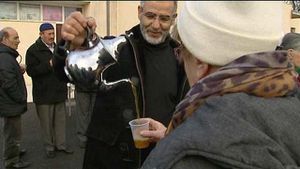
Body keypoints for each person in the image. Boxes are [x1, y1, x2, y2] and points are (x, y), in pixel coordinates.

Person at [139, 1, 300, 169]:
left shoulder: (180, 158)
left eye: (181, 53)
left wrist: (177, 142)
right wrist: (171, 135)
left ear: (199, 61)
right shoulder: (292, 105)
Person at [52, 1, 188, 169]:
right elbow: (64, 73)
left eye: (164, 18)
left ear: (174, 18)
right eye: (150, 16)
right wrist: (71, 46)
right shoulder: (117, 48)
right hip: (114, 158)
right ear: (139, 12)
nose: (156, 25)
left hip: (164, 155)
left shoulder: (182, 58)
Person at [25, 22, 73, 159]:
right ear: (41, 34)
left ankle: (61, 145)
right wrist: (49, 64)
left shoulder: (59, 48)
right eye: (49, 34)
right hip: (44, 94)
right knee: (46, 124)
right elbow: (31, 71)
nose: (52, 36)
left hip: (59, 91)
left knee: (60, 122)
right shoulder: (33, 50)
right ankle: (49, 147)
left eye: (53, 33)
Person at [0, 27, 31, 169]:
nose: (19, 41)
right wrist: (21, 98)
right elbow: (8, 83)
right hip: (10, 104)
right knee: (12, 133)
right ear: (5, 40)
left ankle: (14, 152)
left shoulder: (7, 56)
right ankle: (12, 161)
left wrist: (17, 70)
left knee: (13, 132)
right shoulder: (5, 57)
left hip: (10, 103)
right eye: (15, 38)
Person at [74, 84, 96, 149]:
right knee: (90, 114)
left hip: (82, 85)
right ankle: (91, 138)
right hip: (88, 86)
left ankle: (84, 139)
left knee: (83, 114)